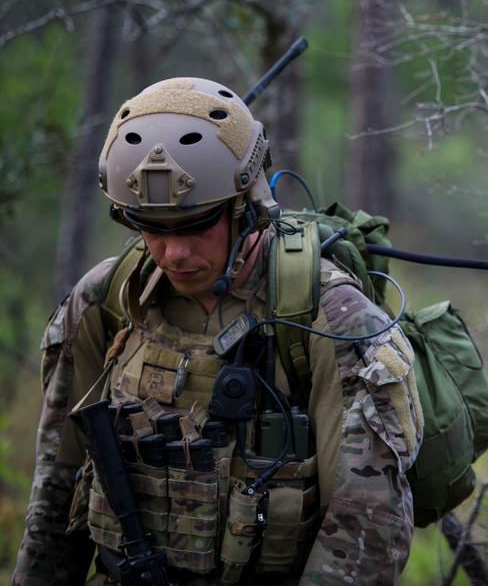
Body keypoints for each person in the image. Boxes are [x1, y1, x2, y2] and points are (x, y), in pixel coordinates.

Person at [12, 77, 423, 585]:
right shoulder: (108, 297)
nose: (173, 254)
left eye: (196, 223)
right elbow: (57, 488)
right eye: (151, 226)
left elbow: (367, 529)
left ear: (247, 204)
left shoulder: (330, 317)